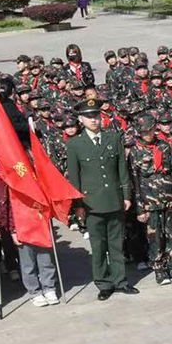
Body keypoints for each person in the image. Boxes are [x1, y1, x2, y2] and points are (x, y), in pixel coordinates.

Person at [63, 106, 138, 300]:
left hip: (114, 198)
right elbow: (74, 177)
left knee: (116, 244)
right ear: (81, 119)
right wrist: (78, 205)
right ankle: (104, 283)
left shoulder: (113, 138)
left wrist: (126, 195)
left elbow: (122, 169)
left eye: (95, 116)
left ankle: (120, 281)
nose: (93, 120)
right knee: (98, 246)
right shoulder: (75, 144)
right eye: (88, 117)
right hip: (91, 203)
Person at [128, 115, 172, 284]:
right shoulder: (135, 152)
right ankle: (160, 269)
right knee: (155, 238)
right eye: (144, 132)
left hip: (169, 198)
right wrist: (140, 209)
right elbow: (134, 182)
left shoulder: (164, 146)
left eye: (150, 130)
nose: (147, 134)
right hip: (149, 202)